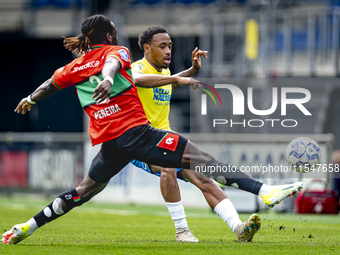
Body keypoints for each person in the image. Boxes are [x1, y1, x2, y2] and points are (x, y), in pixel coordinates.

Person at [2, 15, 302, 245]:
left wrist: (29, 99)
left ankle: (27, 226)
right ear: (107, 35)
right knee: (199, 159)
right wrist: (108, 79)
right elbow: (113, 65)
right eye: (113, 32)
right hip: (138, 133)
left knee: (84, 190)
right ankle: (264, 192)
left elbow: (48, 86)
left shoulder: (72, 68)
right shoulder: (118, 53)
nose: (117, 35)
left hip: (112, 143)